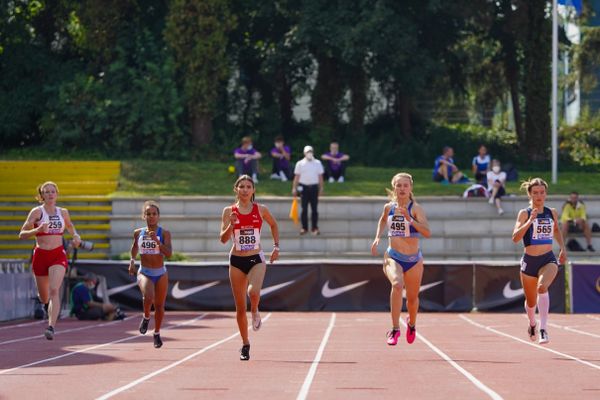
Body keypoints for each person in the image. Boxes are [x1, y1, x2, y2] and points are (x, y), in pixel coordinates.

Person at [219, 175, 280, 361]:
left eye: (248, 186)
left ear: (253, 190)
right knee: (239, 308)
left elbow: (274, 224)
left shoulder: (261, 209)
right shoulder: (229, 211)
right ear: (235, 189)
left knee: (253, 292)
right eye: (241, 186)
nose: (245, 190)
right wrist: (231, 224)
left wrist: (276, 247)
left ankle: (255, 310)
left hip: (256, 258)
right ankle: (245, 344)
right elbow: (222, 239)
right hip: (236, 260)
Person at [371, 173, 431, 346]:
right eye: (399, 185)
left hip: (413, 260)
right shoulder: (388, 207)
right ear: (394, 188)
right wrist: (377, 238)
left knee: (412, 300)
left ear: (411, 188)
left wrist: (410, 220)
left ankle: (411, 324)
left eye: (405, 185)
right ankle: (395, 329)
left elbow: (427, 232)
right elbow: (382, 221)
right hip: (393, 256)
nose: (402, 189)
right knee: (397, 284)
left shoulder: (416, 209)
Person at [19, 181, 82, 340]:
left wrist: (75, 235)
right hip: (40, 255)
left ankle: (51, 327)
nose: (50, 194)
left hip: (57, 254)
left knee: (55, 289)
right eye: (46, 192)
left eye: (52, 191)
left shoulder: (63, 212)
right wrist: (37, 229)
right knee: (44, 296)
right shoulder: (36, 212)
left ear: (57, 194)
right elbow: (22, 234)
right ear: (41, 196)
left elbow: (70, 226)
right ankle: (46, 305)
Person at [512, 178, 567, 345]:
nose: (539, 196)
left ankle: (543, 328)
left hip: (548, 259)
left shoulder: (552, 212)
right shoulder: (524, 213)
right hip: (529, 262)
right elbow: (515, 238)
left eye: (542, 192)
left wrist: (563, 248)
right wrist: (529, 222)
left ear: (546, 194)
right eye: (535, 193)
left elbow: (556, 230)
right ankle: (532, 323)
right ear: (530, 194)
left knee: (542, 287)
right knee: (531, 302)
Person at [128, 200, 172, 348]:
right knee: (148, 296)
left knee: (159, 306)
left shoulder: (164, 233)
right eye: (148, 214)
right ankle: (146, 317)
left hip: (160, 272)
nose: (151, 216)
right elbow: (134, 247)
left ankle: (157, 333)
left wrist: (157, 242)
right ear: (144, 216)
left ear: (158, 216)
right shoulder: (137, 233)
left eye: (154, 214)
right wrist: (132, 261)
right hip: (144, 271)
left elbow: (169, 254)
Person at [292, 145, 324, 235]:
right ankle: (304, 227)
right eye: (307, 152)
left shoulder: (318, 163)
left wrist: (321, 188)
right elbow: (296, 177)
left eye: (310, 151)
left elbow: (320, 177)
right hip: (303, 188)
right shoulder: (300, 163)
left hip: (314, 187)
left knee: (314, 209)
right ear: (304, 153)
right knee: (304, 209)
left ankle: (314, 227)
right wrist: (294, 188)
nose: (309, 153)